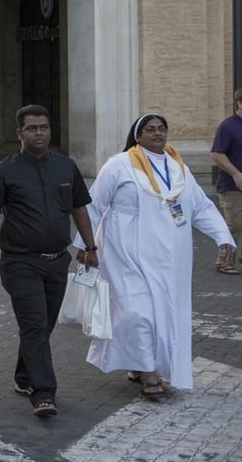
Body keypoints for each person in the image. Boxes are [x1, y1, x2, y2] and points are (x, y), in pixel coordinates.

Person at [78, 113, 233, 400]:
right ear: (138, 135)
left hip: (169, 257)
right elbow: (93, 204)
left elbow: (200, 207)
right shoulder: (119, 165)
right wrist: (85, 245)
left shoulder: (178, 167)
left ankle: (140, 365)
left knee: (162, 313)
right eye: (150, 129)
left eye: (162, 128)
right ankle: (150, 375)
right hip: (125, 253)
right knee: (138, 312)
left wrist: (223, 236)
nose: (157, 133)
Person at [0, 104, 97, 418]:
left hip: (58, 261)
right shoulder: (3, 171)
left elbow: (79, 208)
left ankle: (24, 376)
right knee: (34, 323)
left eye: (44, 127)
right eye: (32, 128)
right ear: (20, 132)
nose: (39, 133)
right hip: (20, 263)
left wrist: (90, 246)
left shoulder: (66, 167)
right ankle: (43, 393)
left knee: (42, 326)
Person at [210, 89, 242, 275]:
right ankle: (224, 261)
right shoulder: (228, 126)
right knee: (234, 224)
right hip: (231, 186)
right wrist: (236, 174)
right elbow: (216, 153)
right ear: (239, 103)